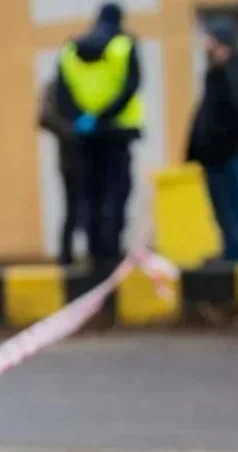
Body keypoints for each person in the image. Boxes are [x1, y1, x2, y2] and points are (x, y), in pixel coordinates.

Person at [54, 2, 144, 271]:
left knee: (90, 194)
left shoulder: (70, 50)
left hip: (86, 137)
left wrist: (83, 117)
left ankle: (94, 253)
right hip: (117, 134)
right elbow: (132, 86)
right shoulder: (124, 46)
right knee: (116, 192)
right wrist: (105, 116)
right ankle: (110, 252)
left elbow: (62, 94)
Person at [186, 15, 238, 262]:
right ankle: (232, 258)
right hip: (214, 158)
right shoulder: (216, 74)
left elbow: (231, 116)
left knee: (233, 214)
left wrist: (211, 146)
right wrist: (193, 151)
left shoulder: (232, 73)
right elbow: (205, 117)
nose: (205, 44)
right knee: (224, 215)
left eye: (209, 39)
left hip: (227, 157)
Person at [38, 78, 84, 266]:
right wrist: (72, 132)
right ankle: (66, 260)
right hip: (72, 159)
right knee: (72, 209)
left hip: (101, 157)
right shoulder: (59, 85)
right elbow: (44, 117)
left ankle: (102, 259)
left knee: (100, 209)